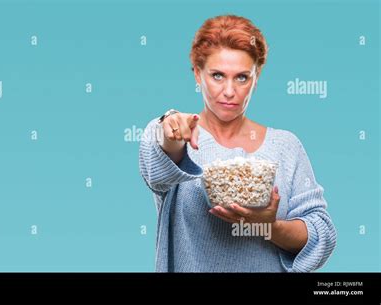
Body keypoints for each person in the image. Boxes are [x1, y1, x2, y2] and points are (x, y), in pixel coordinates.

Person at [139, 15, 337, 272]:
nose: (230, 91)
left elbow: (322, 233)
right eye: (217, 76)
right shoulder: (179, 134)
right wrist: (171, 130)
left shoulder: (285, 146)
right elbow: (159, 163)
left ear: (257, 76)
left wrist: (268, 226)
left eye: (242, 77)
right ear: (198, 74)